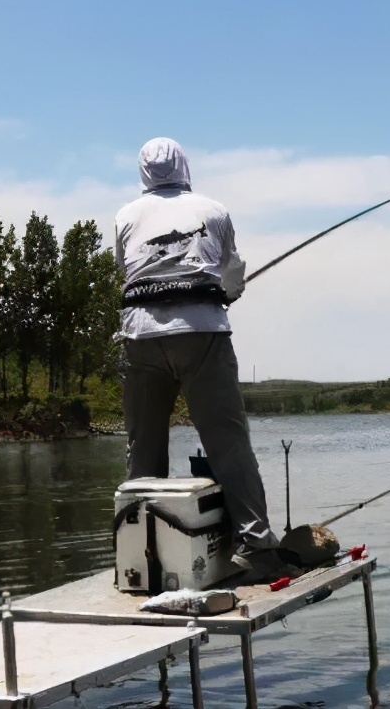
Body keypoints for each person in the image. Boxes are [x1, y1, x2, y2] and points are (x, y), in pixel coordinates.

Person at [114, 137, 290, 582]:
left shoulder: (124, 216)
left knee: (143, 446)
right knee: (227, 444)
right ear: (185, 166)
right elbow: (232, 272)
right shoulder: (214, 210)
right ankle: (256, 548)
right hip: (203, 333)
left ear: (143, 173)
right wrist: (227, 293)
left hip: (139, 335)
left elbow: (127, 269)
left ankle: (138, 554)